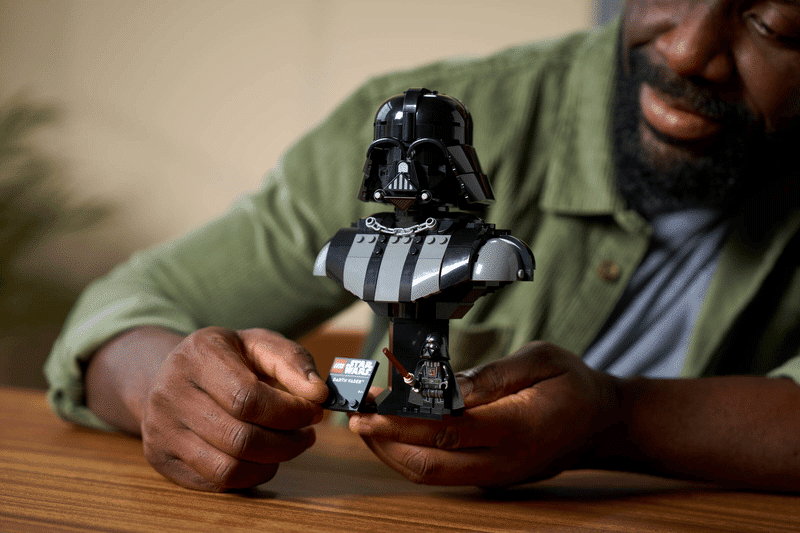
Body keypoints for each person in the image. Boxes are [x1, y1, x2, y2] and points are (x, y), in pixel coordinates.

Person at [46, 0, 800, 493]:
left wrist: (614, 418)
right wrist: (176, 388)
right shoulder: (415, 133)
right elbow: (121, 310)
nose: (689, 49)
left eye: (771, 22)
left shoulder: (486, 245)